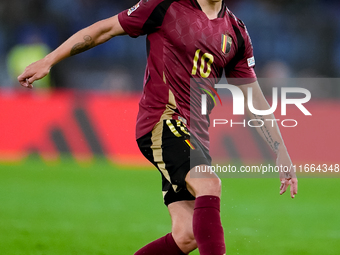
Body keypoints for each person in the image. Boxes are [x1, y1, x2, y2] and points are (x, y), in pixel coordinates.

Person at [18, 0, 298, 254]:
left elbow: (253, 97)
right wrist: (48, 60)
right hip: (162, 121)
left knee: (186, 235)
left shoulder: (236, 32)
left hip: (195, 136)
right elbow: (106, 29)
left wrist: (280, 151)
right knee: (209, 183)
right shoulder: (165, 6)